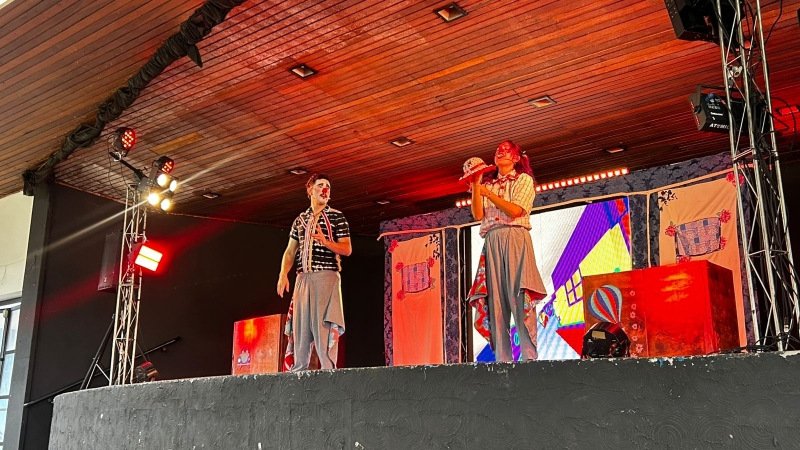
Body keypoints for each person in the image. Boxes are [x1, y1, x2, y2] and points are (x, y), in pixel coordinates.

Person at [466, 140, 547, 362]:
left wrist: (488, 194)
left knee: (519, 296)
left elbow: (515, 211)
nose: (500, 152)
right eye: (497, 151)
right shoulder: (488, 184)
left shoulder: (523, 180)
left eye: (506, 150)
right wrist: (476, 185)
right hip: (492, 239)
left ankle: (529, 358)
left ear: (516, 157)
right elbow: (478, 214)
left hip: (515, 236)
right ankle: (502, 360)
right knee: (496, 302)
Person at [278, 173, 352, 371]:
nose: (324, 189)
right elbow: (290, 251)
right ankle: (298, 371)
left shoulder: (337, 217)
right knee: (300, 329)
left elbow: (347, 249)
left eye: (327, 186)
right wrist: (283, 274)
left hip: (325, 277)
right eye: (320, 185)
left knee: (323, 328)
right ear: (310, 190)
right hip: (303, 278)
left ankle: (328, 372)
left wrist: (326, 242)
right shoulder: (300, 220)